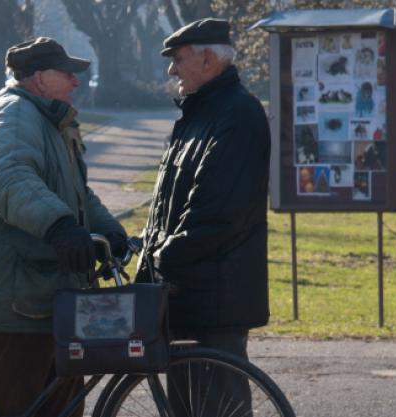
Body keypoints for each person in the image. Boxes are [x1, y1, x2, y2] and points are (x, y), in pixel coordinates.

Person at [0, 37, 127, 417]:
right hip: (15, 303)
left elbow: (78, 194)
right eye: (67, 73)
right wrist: (61, 227)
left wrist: (111, 233)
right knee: (16, 408)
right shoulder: (14, 115)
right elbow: (8, 181)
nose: (76, 82)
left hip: (45, 297)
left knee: (59, 408)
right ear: (39, 78)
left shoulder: (49, 120)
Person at [136, 18, 271, 414]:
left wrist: (160, 256)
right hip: (190, 293)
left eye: (178, 59)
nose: (171, 70)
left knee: (215, 407)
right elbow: (170, 204)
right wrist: (147, 249)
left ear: (208, 59)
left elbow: (216, 214)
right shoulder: (199, 114)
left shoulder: (237, 115)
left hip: (215, 298)